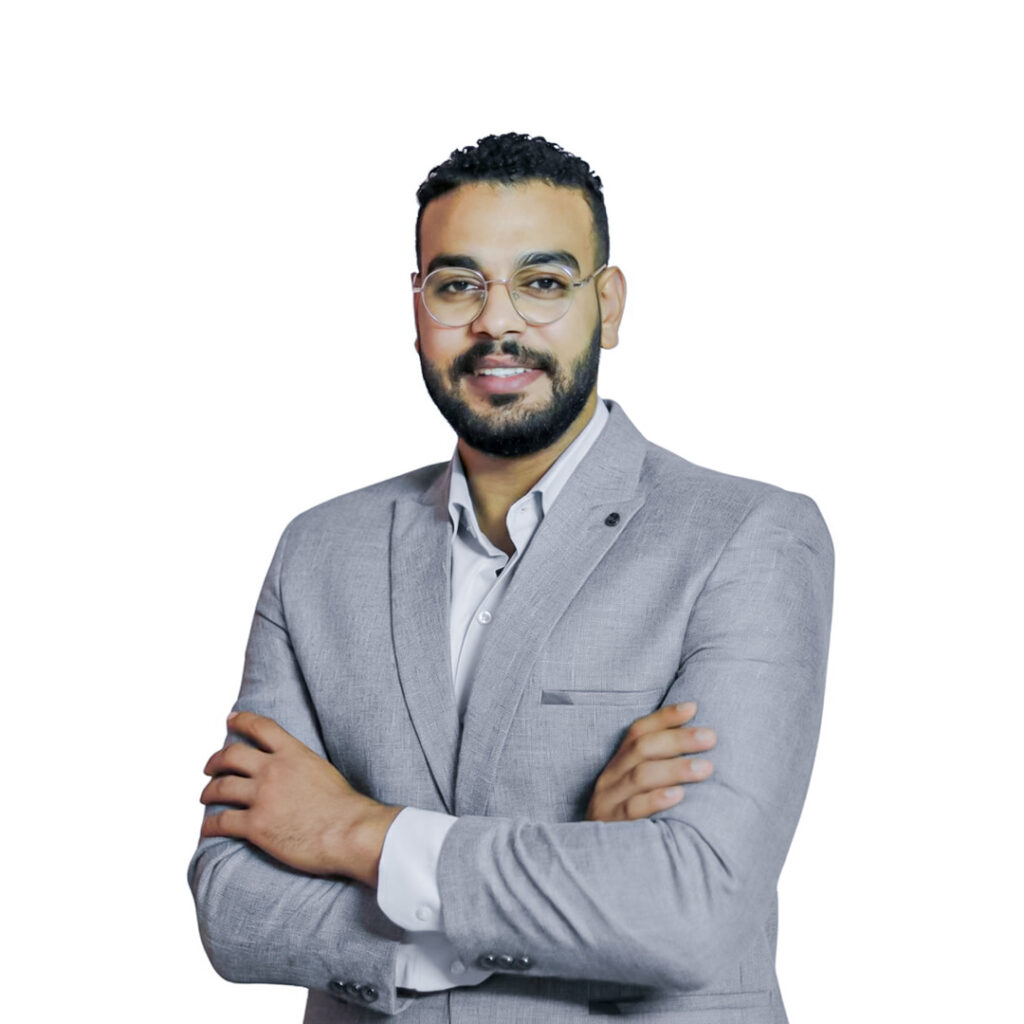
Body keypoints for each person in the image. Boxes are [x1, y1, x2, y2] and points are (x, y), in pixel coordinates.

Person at [188, 133, 834, 1024]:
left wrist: (350, 831)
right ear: (418, 307)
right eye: (458, 285)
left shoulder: (749, 538)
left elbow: (692, 911)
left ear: (607, 304)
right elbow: (234, 907)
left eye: (543, 282)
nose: (498, 324)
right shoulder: (320, 551)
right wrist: (580, 873)